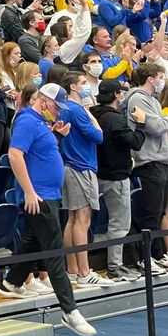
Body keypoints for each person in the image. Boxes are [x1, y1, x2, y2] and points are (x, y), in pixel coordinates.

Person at [0, 83, 97, 336]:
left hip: (48, 195)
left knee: (33, 240)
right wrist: (30, 192)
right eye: (55, 106)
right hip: (40, 197)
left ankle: (12, 282)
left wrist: (59, 137)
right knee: (54, 252)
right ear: (42, 101)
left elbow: (40, 154)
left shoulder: (40, 122)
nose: (58, 112)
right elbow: (15, 155)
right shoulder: (27, 121)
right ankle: (69, 310)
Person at [91, 79, 145, 282]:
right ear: (115, 95)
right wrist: (140, 123)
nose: (123, 96)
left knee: (112, 222)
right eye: (121, 93)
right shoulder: (115, 120)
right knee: (120, 224)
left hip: (100, 172)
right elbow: (135, 142)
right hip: (116, 175)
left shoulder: (96, 114)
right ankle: (115, 267)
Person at [57, 72, 108, 286]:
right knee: (82, 220)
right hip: (81, 166)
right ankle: (85, 272)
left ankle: (72, 269)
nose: (87, 86)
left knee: (72, 219)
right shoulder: (77, 110)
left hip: (70, 165)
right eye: (83, 83)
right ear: (73, 87)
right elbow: (99, 136)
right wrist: (94, 119)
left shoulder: (65, 109)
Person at [125, 62, 168, 272]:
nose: (162, 81)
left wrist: (163, 120)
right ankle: (146, 257)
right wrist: (165, 120)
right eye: (160, 76)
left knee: (159, 211)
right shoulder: (137, 99)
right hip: (148, 162)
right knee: (150, 213)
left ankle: (158, 254)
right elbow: (157, 127)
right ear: (151, 78)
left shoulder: (153, 100)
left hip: (161, 161)